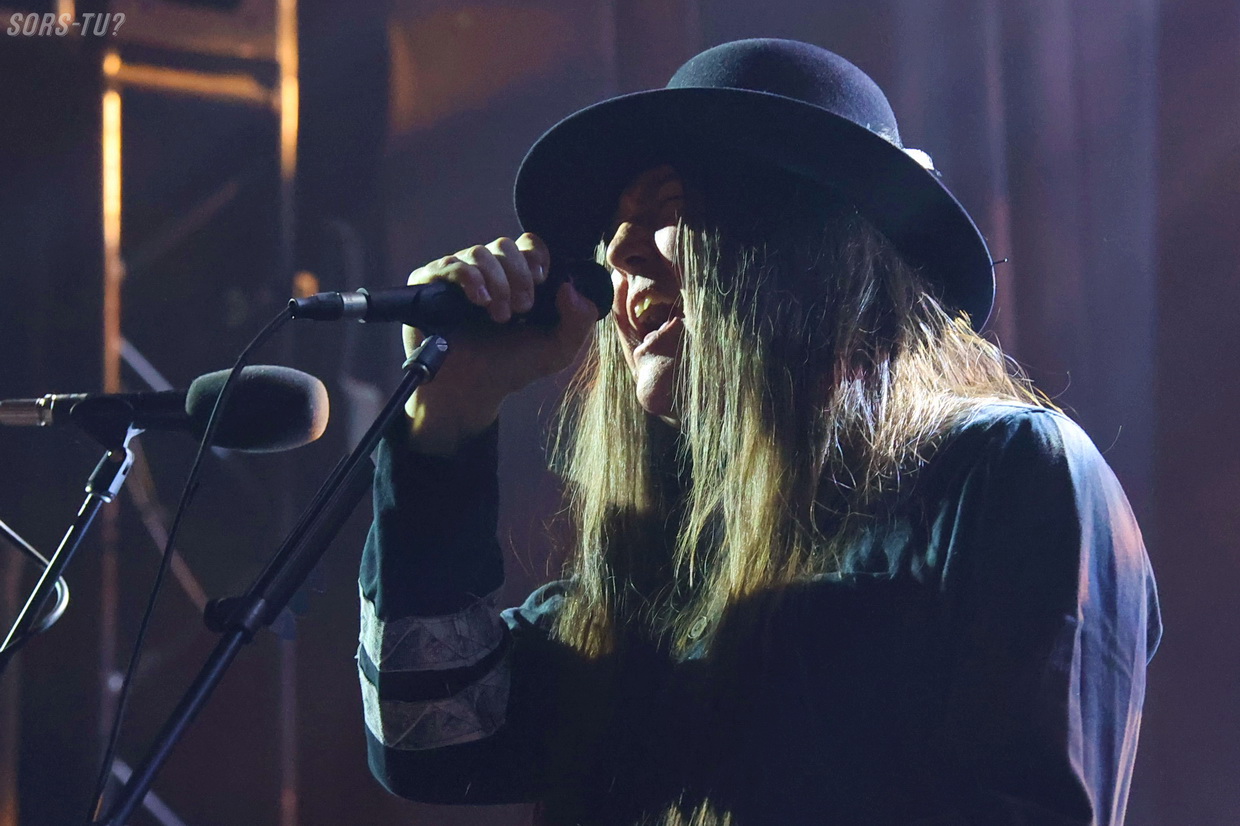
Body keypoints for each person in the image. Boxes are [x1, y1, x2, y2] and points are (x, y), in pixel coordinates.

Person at [357, 39, 1161, 826]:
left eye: (669, 210)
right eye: (616, 227)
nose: (619, 253)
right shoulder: (666, 553)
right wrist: (447, 419)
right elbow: (433, 736)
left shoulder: (1005, 474)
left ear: (805, 247)